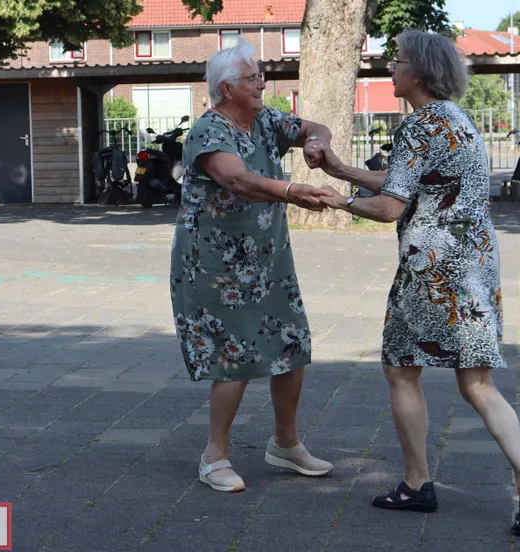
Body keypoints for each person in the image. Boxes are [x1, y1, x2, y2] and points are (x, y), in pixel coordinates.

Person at [313, 30, 520, 536]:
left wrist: (339, 202)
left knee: (401, 369)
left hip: (430, 272)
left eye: (396, 62)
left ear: (418, 73)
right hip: (478, 267)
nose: (389, 70)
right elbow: (410, 179)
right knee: (479, 384)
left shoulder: (418, 126)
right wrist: (339, 167)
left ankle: (417, 483)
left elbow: (389, 206)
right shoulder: (458, 121)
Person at [169, 38, 335, 493]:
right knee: (234, 357)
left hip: (268, 258)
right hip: (216, 266)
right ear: (226, 88)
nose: (262, 82)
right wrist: (291, 190)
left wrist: (316, 143)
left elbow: (312, 126)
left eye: (260, 75)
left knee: (292, 345)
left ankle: (285, 444)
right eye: (252, 77)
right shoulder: (209, 131)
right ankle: (214, 456)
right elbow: (236, 179)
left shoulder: (265, 120)